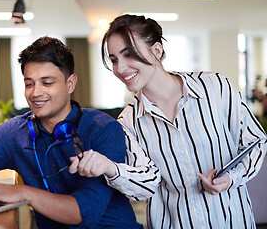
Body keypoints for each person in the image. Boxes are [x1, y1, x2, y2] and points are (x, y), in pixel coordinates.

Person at [69, 14, 267, 228]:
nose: (120, 68)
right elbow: (145, 185)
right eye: (114, 59)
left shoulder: (215, 87)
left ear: (156, 51)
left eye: (129, 55)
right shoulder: (128, 121)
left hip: (233, 221)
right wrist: (109, 167)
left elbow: (255, 141)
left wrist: (230, 178)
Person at [0, 36, 143, 229]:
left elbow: (83, 211)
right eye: (29, 84)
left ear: (70, 84)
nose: (35, 92)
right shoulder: (14, 132)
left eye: (47, 83)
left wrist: (24, 193)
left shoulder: (104, 129)